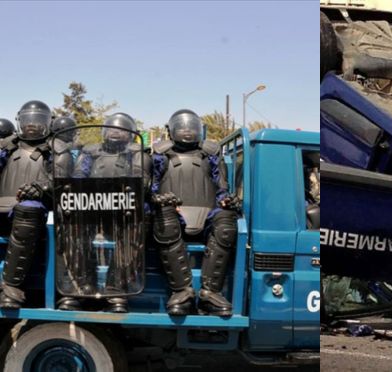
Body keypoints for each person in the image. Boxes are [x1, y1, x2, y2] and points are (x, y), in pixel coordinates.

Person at [58, 112, 149, 313]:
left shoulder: (136, 152)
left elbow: (140, 176)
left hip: (121, 208)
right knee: (74, 224)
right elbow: (79, 174)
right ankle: (80, 286)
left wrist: (130, 190)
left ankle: (116, 288)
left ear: (131, 134)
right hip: (92, 205)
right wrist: (76, 188)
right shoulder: (91, 152)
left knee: (131, 230)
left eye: (121, 129)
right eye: (112, 128)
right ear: (104, 131)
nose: (115, 132)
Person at [151, 109, 238, 316]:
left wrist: (227, 200)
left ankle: (210, 293)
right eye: (182, 127)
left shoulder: (210, 153)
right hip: (173, 213)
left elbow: (221, 188)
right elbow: (151, 188)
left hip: (207, 213)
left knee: (226, 222)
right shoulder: (160, 154)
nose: (187, 131)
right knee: (164, 220)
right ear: (172, 130)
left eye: (191, 127)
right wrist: (158, 199)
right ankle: (182, 292)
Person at [0, 101, 72, 309]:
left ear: (47, 122)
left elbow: (62, 179)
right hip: (3, 204)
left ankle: (11, 286)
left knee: (28, 208)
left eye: (37, 121)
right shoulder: (7, 145)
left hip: (37, 207)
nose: (31, 125)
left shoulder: (56, 148)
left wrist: (41, 188)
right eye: (27, 120)